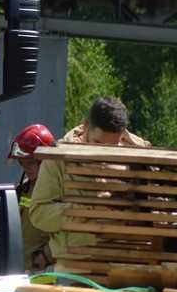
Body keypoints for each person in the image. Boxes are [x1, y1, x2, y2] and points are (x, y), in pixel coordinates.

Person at [27, 97, 149, 271]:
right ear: (85, 127)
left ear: (122, 136)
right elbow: (39, 214)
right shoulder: (58, 157)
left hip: (125, 264)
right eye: (97, 143)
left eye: (112, 146)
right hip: (76, 266)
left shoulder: (140, 152)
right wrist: (84, 210)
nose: (102, 153)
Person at [8, 124, 56, 271]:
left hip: (47, 270)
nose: (26, 168)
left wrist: (46, 255)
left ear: (44, 160)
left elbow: (69, 231)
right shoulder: (25, 189)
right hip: (24, 269)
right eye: (22, 163)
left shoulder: (57, 191)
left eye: (30, 163)